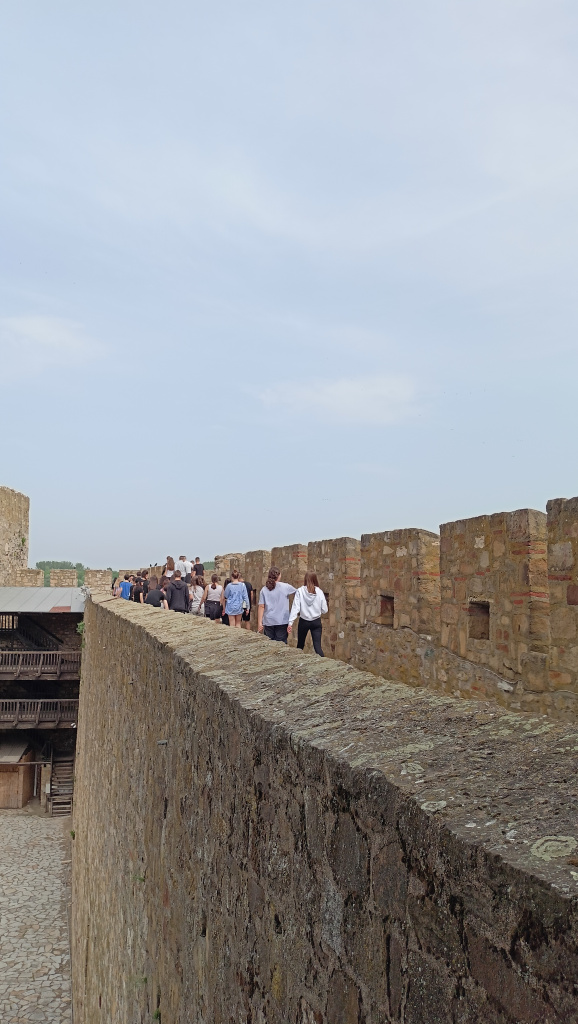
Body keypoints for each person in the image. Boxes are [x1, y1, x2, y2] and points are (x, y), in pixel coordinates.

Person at [288, 572, 328, 656]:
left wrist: (290, 623)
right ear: (315, 579)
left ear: (305, 579)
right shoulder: (319, 592)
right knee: (318, 647)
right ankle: (324, 662)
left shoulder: (300, 591)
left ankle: (297, 661)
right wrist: (317, 610)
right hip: (316, 621)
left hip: (304, 621)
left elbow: (295, 608)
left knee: (300, 645)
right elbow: (325, 610)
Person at [257, 567, 296, 643]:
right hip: (282, 620)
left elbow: (261, 606)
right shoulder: (286, 587)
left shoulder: (264, 589)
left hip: (268, 621)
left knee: (269, 643)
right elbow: (298, 593)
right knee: (281, 643)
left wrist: (259, 623)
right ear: (279, 575)